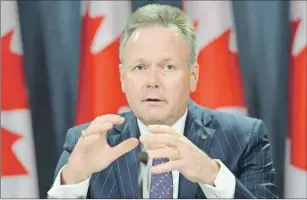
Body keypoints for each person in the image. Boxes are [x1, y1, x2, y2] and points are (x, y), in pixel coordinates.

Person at [47, 4, 278, 199]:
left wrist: (212, 175)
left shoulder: (244, 138)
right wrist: (73, 180)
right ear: (122, 79)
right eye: (140, 67)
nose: (152, 81)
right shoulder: (86, 142)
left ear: (193, 76)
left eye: (168, 67)